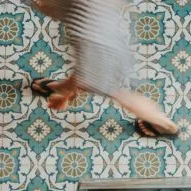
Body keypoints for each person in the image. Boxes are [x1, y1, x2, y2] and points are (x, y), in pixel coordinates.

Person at [29, 0, 179, 138]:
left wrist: (65, 94)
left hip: (99, 50)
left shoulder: (83, 31)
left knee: (117, 93)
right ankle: (60, 88)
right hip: (105, 36)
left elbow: (85, 72)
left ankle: (166, 126)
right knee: (87, 78)